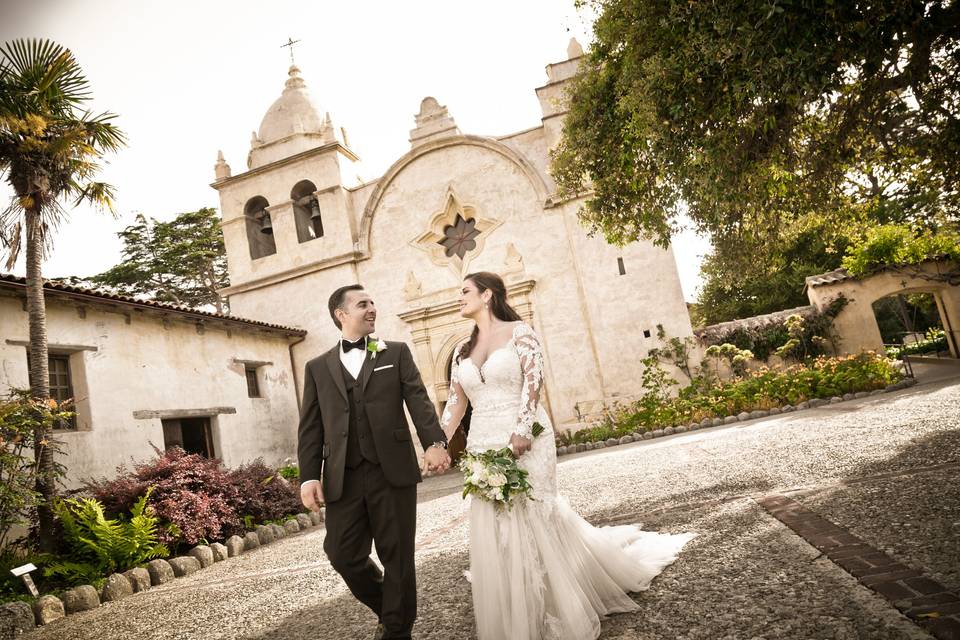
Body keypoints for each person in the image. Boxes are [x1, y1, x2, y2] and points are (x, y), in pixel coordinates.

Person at [440, 272, 695, 640]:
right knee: (497, 526)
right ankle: (516, 608)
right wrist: (436, 444)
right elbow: (455, 402)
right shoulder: (463, 351)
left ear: (487, 295)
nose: (459, 297)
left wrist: (523, 427)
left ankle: (552, 608)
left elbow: (533, 380)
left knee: (534, 515)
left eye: (465, 291)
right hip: (482, 443)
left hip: (523, 437)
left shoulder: (520, 332)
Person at [298, 284, 451, 640]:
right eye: (362, 304)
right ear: (341, 314)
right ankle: (391, 607)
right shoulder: (317, 367)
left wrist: (433, 442)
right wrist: (308, 476)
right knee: (342, 554)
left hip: (391, 471)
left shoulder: (395, 353)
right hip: (342, 476)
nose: (372, 309)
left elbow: (418, 400)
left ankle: (396, 630)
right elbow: (311, 426)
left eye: (372, 303)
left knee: (397, 554)